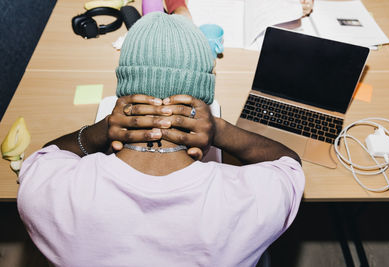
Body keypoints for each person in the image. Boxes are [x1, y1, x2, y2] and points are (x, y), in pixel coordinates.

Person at [17, 13, 304, 267]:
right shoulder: (253, 200)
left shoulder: (47, 193)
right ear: (203, 97)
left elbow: (49, 154)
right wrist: (220, 131)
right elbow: (290, 164)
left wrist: (101, 130)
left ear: (124, 95)